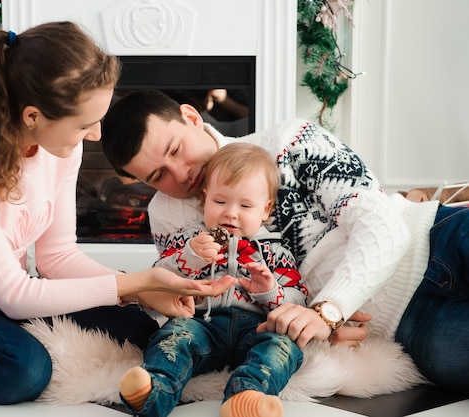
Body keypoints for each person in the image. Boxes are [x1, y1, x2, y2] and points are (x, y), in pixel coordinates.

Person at [0, 24, 236, 404]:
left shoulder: (62, 144)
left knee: (137, 329)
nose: (96, 134)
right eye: (84, 124)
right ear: (33, 116)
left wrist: (142, 290)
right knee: (23, 369)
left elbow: (57, 258)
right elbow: (16, 295)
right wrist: (133, 281)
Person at [101, 89, 469, 393]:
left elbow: (383, 224)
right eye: (158, 175)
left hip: (435, 239)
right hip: (405, 324)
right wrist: (320, 334)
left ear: (192, 118)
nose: (182, 174)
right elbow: (217, 310)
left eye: (176, 149)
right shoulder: (168, 215)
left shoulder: (289, 141)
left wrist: (329, 311)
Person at [118, 143, 307, 417]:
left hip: (257, 327)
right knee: (173, 338)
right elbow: (157, 279)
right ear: (204, 199)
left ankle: (247, 397)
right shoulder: (188, 240)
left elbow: (299, 300)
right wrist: (190, 257)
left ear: (265, 210)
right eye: (220, 201)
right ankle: (154, 391)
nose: (231, 212)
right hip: (200, 323)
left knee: (282, 348)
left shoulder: (276, 252)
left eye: (245, 205)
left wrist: (271, 292)